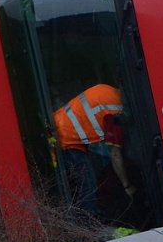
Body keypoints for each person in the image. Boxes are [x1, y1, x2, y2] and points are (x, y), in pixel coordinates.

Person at [53, 84, 135, 217]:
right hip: (67, 139)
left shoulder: (106, 90)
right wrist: (127, 186)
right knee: (88, 186)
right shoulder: (116, 109)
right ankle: (91, 227)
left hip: (60, 128)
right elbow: (115, 154)